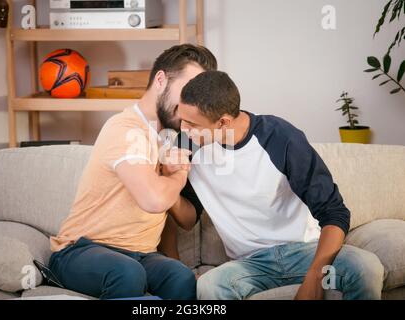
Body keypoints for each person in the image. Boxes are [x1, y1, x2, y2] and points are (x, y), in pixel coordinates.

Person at [173, 70, 384, 300]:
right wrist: (170, 180)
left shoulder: (280, 137)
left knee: (366, 268)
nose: (183, 129)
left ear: (223, 122)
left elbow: (334, 213)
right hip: (249, 266)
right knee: (210, 286)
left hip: (305, 252)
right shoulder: (186, 144)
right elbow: (187, 220)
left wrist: (315, 277)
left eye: (191, 123)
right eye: (181, 120)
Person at [48, 44, 217, 300]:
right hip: (80, 252)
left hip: (141, 255)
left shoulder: (172, 140)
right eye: (186, 91)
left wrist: (175, 261)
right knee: (126, 273)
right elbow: (153, 200)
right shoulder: (125, 128)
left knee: (179, 278)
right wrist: (178, 173)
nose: (190, 105)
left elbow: (175, 218)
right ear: (161, 80)